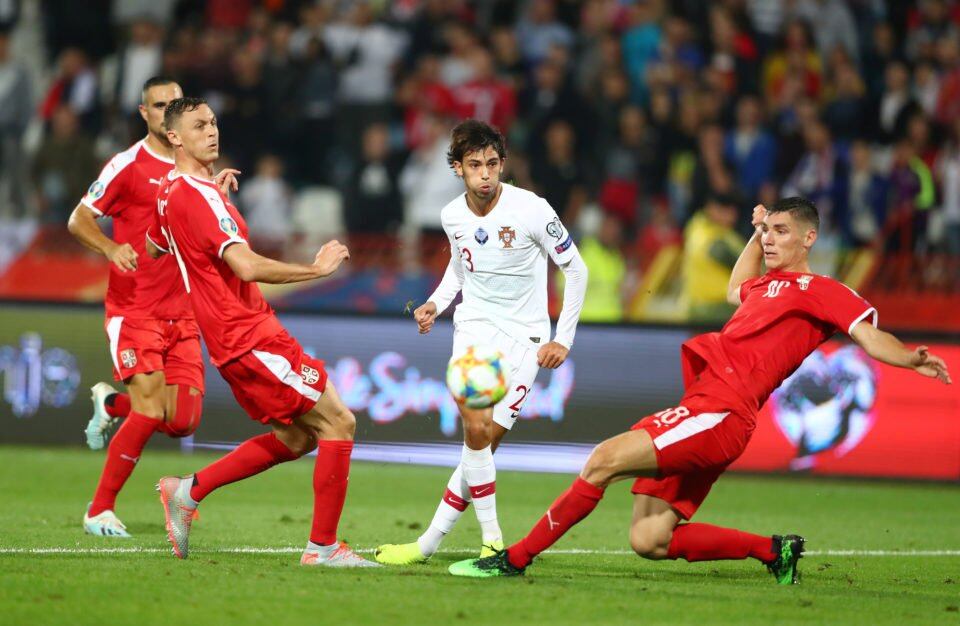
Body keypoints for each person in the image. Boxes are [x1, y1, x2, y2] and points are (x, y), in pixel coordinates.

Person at [448, 197, 951, 582]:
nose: (771, 239)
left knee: (602, 459)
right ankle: (775, 552)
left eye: (781, 231)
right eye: (767, 230)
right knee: (649, 538)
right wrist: (754, 236)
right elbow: (736, 289)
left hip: (723, 411)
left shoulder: (824, 292)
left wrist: (909, 357)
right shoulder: (762, 288)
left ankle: (511, 560)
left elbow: (868, 334)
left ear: (809, 238)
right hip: (707, 408)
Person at [146, 97, 375, 568]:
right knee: (340, 422)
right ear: (174, 137)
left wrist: (213, 200)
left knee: (297, 438)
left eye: (213, 122)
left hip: (232, 338)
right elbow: (246, 267)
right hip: (248, 335)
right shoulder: (201, 196)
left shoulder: (170, 190)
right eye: (198, 126)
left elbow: (153, 247)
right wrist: (316, 269)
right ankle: (323, 548)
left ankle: (187, 491)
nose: (211, 132)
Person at [375, 119, 588, 565]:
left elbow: (576, 270)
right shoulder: (451, 215)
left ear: (502, 165)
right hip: (474, 329)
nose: (486, 174)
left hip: (527, 337)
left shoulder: (533, 209)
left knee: (484, 445)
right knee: (474, 430)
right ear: (458, 169)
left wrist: (562, 340)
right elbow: (460, 263)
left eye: (493, 164)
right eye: (475, 165)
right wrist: (435, 302)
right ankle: (492, 541)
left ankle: (427, 543)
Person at [66, 77, 236, 538]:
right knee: (148, 410)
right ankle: (99, 509)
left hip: (183, 313)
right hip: (135, 308)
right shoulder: (127, 165)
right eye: (158, 105)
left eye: (173, 104)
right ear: (144, 113)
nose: (166, 111)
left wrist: (216, 190)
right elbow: (78, 218)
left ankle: (112, 403)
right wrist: (107, 248)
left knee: (182, 421)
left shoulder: (196, 165)